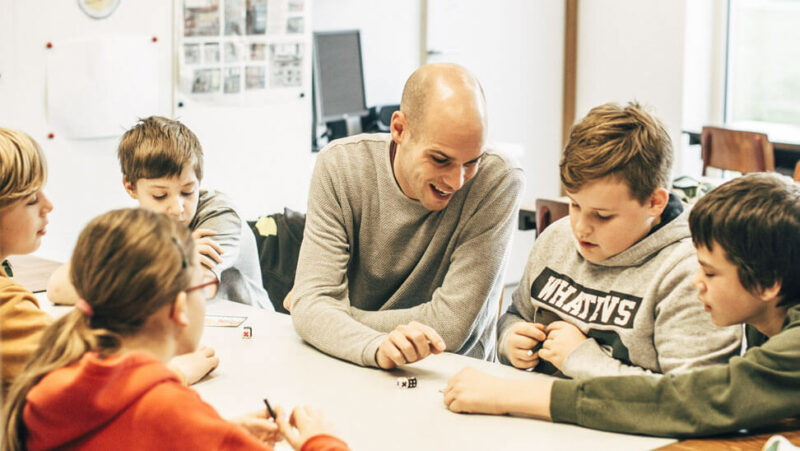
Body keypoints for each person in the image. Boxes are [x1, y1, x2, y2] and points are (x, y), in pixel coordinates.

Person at [444, 173, 800, 437]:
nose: (697, 281)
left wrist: (515, 395)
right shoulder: (767, 314)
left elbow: (692, 400)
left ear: (768, 284)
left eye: (709, 271)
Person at [2, 208, 349, 451]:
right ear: (179, 306)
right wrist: (321, 441)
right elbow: (164, 425)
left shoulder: (48, 388)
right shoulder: (169, 412)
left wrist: (217, 433)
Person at [289, 63, 524, 369]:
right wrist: (372, 345)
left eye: (471, 162)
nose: (457, 181)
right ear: (398, 129)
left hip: (452, 376)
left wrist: (332, 316)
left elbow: (451, 325)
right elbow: (312, 307)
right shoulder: (340, 166)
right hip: (354, 362)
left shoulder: (499, 179)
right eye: (440, 160)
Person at [496, 102, 740, 378]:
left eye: (602, 216)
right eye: (575, 205)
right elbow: (516, 314)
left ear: (655, 203)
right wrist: (510, 338)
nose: (581, 228)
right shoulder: (557, 237)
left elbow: (691, 399)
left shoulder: (691, 275)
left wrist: (582, 360)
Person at [47, 116, 270, 310]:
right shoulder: (136, 227)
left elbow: (197, 287)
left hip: (256, 333)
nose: (178, 208)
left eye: (188, 191)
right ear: (130, 187)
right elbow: (58, 287)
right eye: (160, 196)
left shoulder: (220, 213)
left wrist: (121, 272)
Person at [0, 127, 54, 396]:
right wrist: (175, 370)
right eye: (32, 199)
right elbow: (89, 383)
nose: (48, 205)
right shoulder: (6, 305)